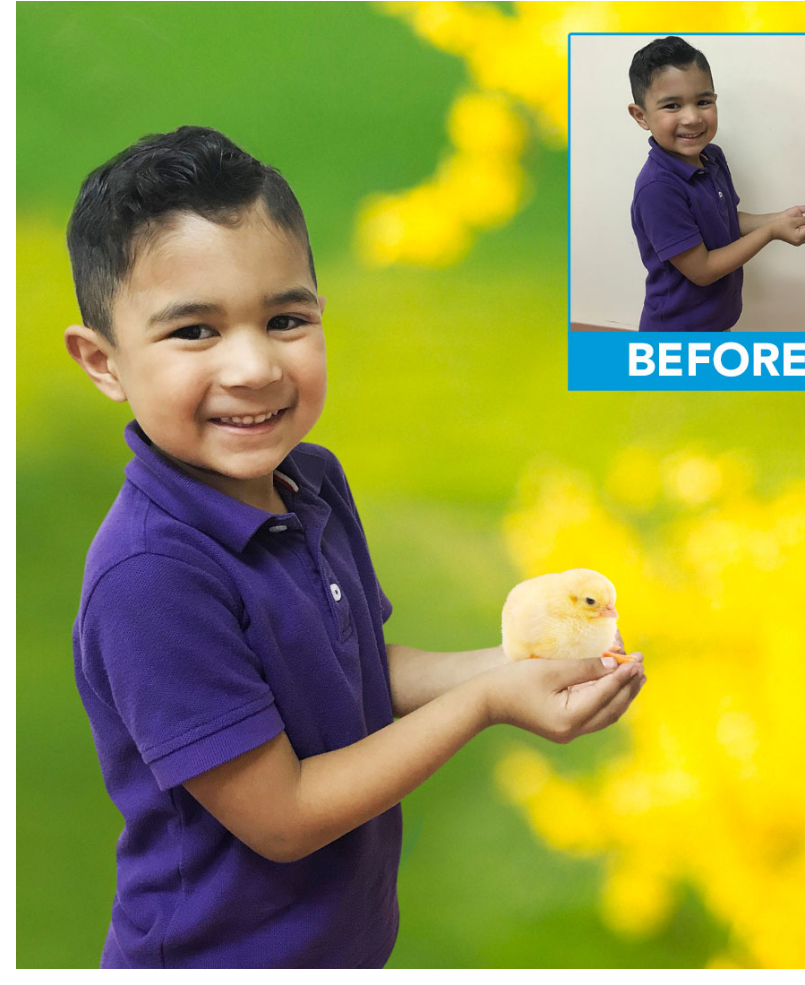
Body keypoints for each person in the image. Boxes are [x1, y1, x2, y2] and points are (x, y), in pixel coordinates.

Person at [64, 126, 647, 969]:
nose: (255, 365)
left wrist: (511, 665)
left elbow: (356, 670)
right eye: (194, 332)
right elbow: (286, 817)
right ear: (103, 362)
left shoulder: (312, 482)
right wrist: (484, 706)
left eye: (285, 317)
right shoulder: (152, 578)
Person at [627, 35, 805, 332]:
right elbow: (703, 270)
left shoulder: (712, 157)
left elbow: (725, 221)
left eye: (703, 101)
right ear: (641, 116)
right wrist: (771, 232)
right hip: (677, 331)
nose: (693, 118)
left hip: (715, 320)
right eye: (672, 106)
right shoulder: (658, 188)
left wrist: (778, 218)